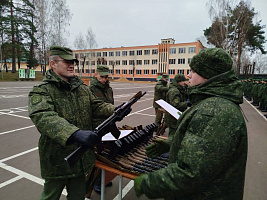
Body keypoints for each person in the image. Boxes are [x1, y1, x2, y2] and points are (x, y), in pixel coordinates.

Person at [134, 48, 248, 200]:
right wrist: (173, 144)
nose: (188, 75)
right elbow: (208, 150)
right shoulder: (214, 104)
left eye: (193, 71)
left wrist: (148, 183)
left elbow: (191, 173)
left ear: (208, 75)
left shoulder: (214, 111)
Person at [28, 46, 127, 200]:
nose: (71, 65)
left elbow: (95, 105)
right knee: (50, 196)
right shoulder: (42, 90)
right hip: (58, 160)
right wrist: (73, 133)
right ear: (53, 64)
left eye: (72, 61)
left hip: (81, 160)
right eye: (66, 61)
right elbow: (43, 117)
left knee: (78, 196)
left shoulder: (81, 88)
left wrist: (114, 110)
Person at [89, 65, 114, 193]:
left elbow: (111, 104)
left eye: (106, 77)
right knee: (99, 155)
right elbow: (92, 109)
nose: (104, 79)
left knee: (108, 152)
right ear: (96, 74)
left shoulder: (108, 88)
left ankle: (103, 179)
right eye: (101, 77)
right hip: (97, 125)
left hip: (108, 123)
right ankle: (95, 182)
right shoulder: (91, 89)